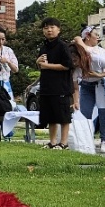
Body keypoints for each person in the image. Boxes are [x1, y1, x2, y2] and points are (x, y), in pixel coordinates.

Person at [74, 26, 105, 153]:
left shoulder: (100, 52)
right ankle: (86, 140)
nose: (98, 36)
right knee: (85, 113)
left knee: (104, 112)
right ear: (87, 36)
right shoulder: (82, 49)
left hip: (101, 83)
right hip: (86, 85)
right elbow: (77, 39)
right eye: (95, 34)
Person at [35, 17, 75, 149]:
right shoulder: (43, 47)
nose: (49, 30)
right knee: (50, 116)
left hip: (61, 87)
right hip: (47, 87)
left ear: (58, 29)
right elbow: (41, 65)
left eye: (52, 27)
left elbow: (67, 66)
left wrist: (47, 66)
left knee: (63, 117)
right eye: (46, 28)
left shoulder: (63, 46)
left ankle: (63, 143)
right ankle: (52, 142)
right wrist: (38, 63)